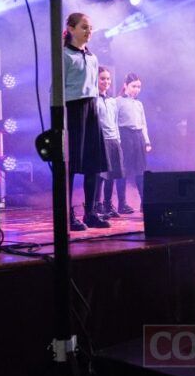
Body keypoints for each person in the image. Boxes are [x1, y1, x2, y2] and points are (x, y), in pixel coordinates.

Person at [62, 12, 109, 231]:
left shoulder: (92, 57)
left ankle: (90, 212)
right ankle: (67, 215)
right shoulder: (64, 56)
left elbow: (93, 87)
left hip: (91, 108)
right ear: (71, 29)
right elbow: (57, 88)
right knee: (71, 164)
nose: (89, 31)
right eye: (84, 27)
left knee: (94, 162)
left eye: (90, 27)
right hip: (73, 109)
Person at [115, 73, 151, 214]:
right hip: (125, 135)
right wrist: (118, 140)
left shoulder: (139, 104)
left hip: (138, 136)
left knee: (140, 170)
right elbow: (114, 122)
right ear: (125, 85)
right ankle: (122, 203)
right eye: (133, 86)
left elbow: (143, 124)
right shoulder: (117, 101)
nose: (136, 89)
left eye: (138, 87)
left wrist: (147, 141)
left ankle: (144, 202)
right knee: (123, 170)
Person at [94, 67, 124, 218]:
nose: (106, 81)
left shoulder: (112, 101)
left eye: (108, 79)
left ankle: (107, 204)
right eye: (102, 78)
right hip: (101, 140)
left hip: (113, 140)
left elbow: (115, 122)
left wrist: (117, 140)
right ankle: (96, 205)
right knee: (100, 175)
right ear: (96, 79)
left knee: (112, 174)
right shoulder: (93, 100)